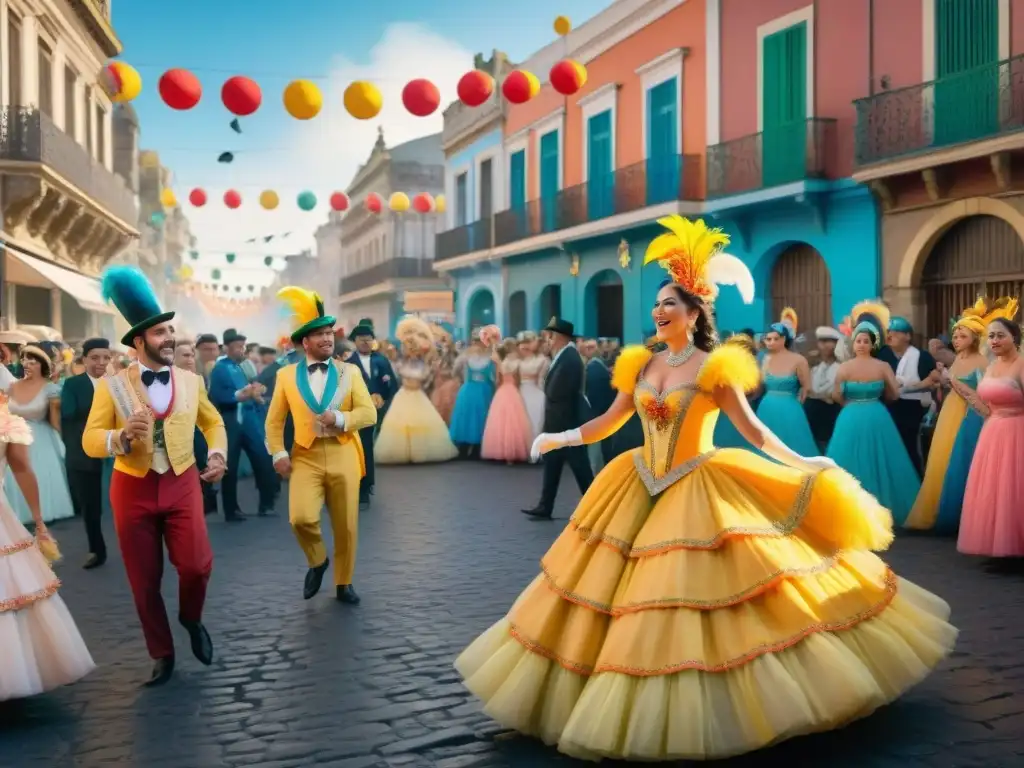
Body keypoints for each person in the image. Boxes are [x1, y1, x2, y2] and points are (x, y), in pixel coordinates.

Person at [455, 215, 956, 761]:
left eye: (670, 303)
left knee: (695, 596)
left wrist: (805, 458)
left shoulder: (716, 367)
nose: (659, 311)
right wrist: (557, 438)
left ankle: (709, 700)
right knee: (599, 591)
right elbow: (609, 420)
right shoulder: (639, 361)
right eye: (658, 304)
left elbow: (755, 431)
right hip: (637, 481)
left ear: (695, 313)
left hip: (698, 485)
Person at [82, 266, 227, 687]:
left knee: (197, 566)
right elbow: (90, 439)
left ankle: (191, 617)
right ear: (140, 340)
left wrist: (216, 454)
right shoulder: (113, 386)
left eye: (172, 332)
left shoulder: (191, 380)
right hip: (132, 486)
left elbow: (213, 423)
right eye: (161, 333)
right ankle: (161, 652)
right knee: (144, 580)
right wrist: (119, 438)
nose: (171, 340)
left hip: (182, 481)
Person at [265, 287, 376, 603]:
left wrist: (340, 419)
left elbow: (368, 414)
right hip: (305, 457)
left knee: (346, 526)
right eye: (319, 334)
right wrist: (279, 452)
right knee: (300, 518)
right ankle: (317, 560)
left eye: (329, 333)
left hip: (343, 454)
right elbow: (274, 422)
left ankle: (344, 582)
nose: (327, 339)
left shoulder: (349, 372)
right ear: (305, 343)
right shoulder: (286, 376)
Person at [0, 403, 95, 701]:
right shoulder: (6, 420)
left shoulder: (5, 421)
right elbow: (22, 468)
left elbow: (22, 468)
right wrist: (38, 521)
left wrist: (39, 521)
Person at [827, 303, 920, 526]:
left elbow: (893, 393)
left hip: (867, 415)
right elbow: (836, 394)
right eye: (858, 341)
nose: (861, 345)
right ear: (853, 342)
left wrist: (855, 403)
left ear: (872, 344)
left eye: (865, 341)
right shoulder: (847, 367)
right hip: (860, 415)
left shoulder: (880, 366)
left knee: (878, 460)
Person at [905, 299, 991, 534]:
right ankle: (939, 509)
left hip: (968, 414)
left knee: (962, 459)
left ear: (974, 338)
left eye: (962, 336)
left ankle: (965, 514)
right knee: (940, 459)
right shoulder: (957, 361)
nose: (956, 339)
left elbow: (984, 393)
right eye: (955, 335)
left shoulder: (982, 362)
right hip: (949, 413)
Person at [958, 307, 1024, 559]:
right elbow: (985, 405)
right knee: (993, 488)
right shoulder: (990, 367)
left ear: (1014, 338)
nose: (995, 341)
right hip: (992, 432)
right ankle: (995, 547)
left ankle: (1015, 548)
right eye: (992, 336)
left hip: (1017, 431)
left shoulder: (1021, 366)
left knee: (1014, 487)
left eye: (1000, 336)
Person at [520, 318, 594, 520]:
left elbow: (559, 390)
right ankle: (545, 506)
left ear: (560, 337)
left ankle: (597, 506)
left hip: (566, 424)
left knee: (581, 468)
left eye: (550, 336)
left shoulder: (569, 357)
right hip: (559, 423)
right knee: (552, 464)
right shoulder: (564, 355)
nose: (548, 340)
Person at [208, 328, 276, 520]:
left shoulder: (241, 367)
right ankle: (231, 510)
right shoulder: (220, 368)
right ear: (227, 348)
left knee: (263, 458)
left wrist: (256, 392)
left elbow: (249, 390)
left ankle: (267, 504)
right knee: (231, 466)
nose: (241, 350)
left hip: (249, 421)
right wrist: (241, 395)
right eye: (238, 347)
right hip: (232, 422)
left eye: (243, 346)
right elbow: (217, 396)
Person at [4, 345, 74, 525]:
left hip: (41, 438)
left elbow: (55, 420)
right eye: (25, 360)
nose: (27, 364)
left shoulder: (50, 389)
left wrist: (64, 443)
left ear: (42, 365)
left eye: (33, 362)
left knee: (39, 474)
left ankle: (40, 516)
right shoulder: (11, 387)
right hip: (14, 436)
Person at [375, 317, 459, 464]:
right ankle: (403, 452)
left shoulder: (424, 364)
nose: (410, 351)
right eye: (408, 348)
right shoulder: (400, 363)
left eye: (413, 348)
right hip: (404, 395)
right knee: (400, 424)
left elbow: (426, 377)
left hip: (418, 396)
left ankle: (421, 451)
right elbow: (395, 373)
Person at [60, 337, 113, 569]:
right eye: (95, 358)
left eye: (105, 358)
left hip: (118, 451)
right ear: (84, 360)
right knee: (91, 506)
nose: (100, 362)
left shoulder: (118, 384)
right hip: (85, 452)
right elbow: (68, 416)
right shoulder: (73, 385)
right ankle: (96, 549)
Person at [878, 317, 940, 475]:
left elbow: (934, 381)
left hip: (914, 410)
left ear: (908, 336)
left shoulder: (922, 357)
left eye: (896, 333)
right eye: (889, 333)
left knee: (911, 447)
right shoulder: (882, 354)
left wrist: (909, 388)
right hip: (888, 407)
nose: (891, 336)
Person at [756, 308, 819, 458]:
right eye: (768, 339)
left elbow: (807, 387)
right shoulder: (765, 360)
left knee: (794, 451)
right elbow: (758, 387)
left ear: (784, 339)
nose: (771, 342)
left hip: (791, 409)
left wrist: (799, 402)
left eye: (776, 338)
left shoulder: (798, 360)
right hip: (766, 409)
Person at [347, 319, 396, 510]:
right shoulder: (348, 364)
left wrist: (383, 400)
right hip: (357, 414)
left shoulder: (381, 361)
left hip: (378, 411)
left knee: (367, 448)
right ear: (355, 341)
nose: (365, 342)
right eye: (361, 339)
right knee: (361, 448)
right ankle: (361, 488)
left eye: (368, 339)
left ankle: (367, 485)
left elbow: (391, 384)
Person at [176, 340, 219, 516]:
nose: (190, 359)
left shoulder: (198, 379)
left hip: (198, 436)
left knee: (201, 473)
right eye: (185, 355)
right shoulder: (164, 381)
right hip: (177, 440)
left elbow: (207, 413)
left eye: (192, 355)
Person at [480, 338, 533, 464]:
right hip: (513, 391)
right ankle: (513, 453)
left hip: (502, 391)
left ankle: (499, 451)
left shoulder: (501, 363)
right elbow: (518, 380)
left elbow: (498, 380)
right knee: (514, 422)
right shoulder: (517, 363)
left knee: (499, 421)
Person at [804, 326, 843, 450]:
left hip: (832, 414)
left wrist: (824, 395)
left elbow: (836, 392)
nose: (824, 346)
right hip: (813, 414)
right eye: (821, 342)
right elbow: (811, 389)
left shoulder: (842, 367)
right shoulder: (814, 366)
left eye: (828, 342)